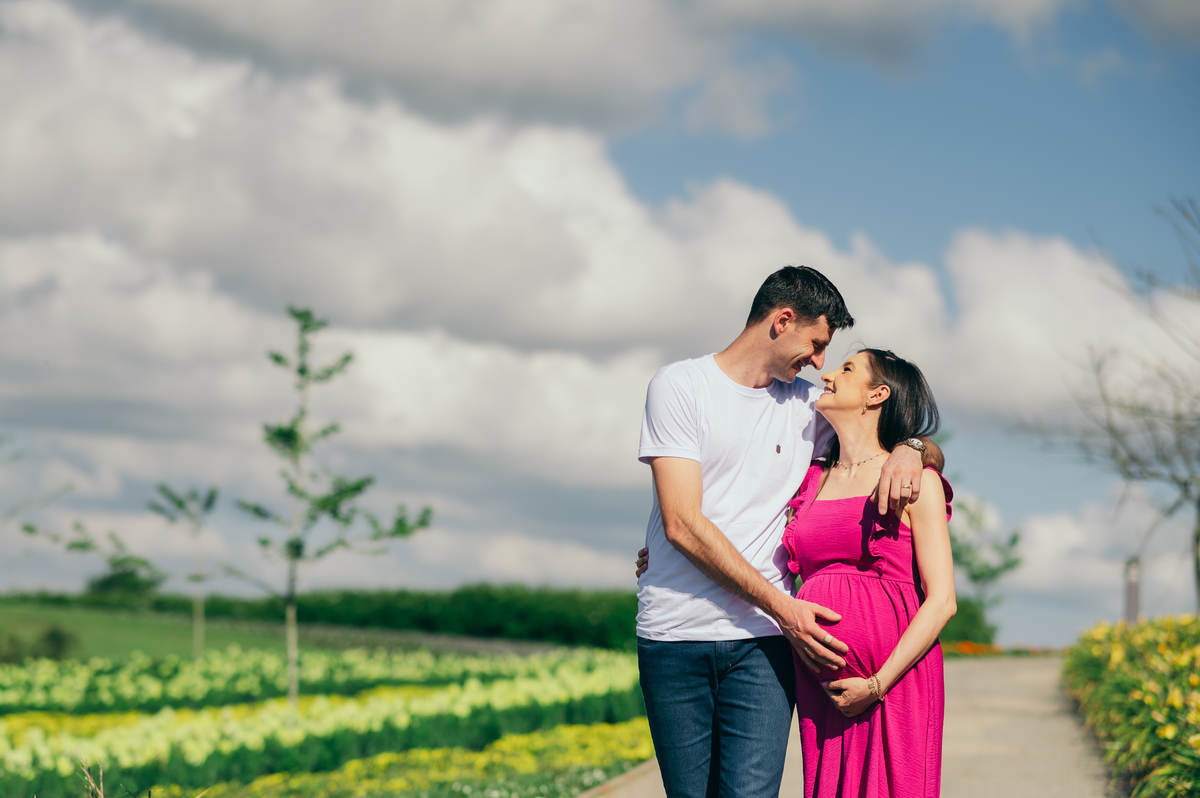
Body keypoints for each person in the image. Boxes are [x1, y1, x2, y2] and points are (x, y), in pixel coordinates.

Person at [635, 266, 936, 798]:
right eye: (817, 344)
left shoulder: (806, 405)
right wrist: (783, 603)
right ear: (782, 320)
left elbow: (885, 435)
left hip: (764, 644)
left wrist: (915, 452)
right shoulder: (680, 386)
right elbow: (682, 523)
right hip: (675, 633)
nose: (820, 365)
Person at [783, 349, 954, 797]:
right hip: (826, 689)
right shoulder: (811, 479)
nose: (827, 374)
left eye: (846, 368)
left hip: (893, 684)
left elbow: (943, 601)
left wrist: (877, 684)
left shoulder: (914, 480)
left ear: (877, 394)